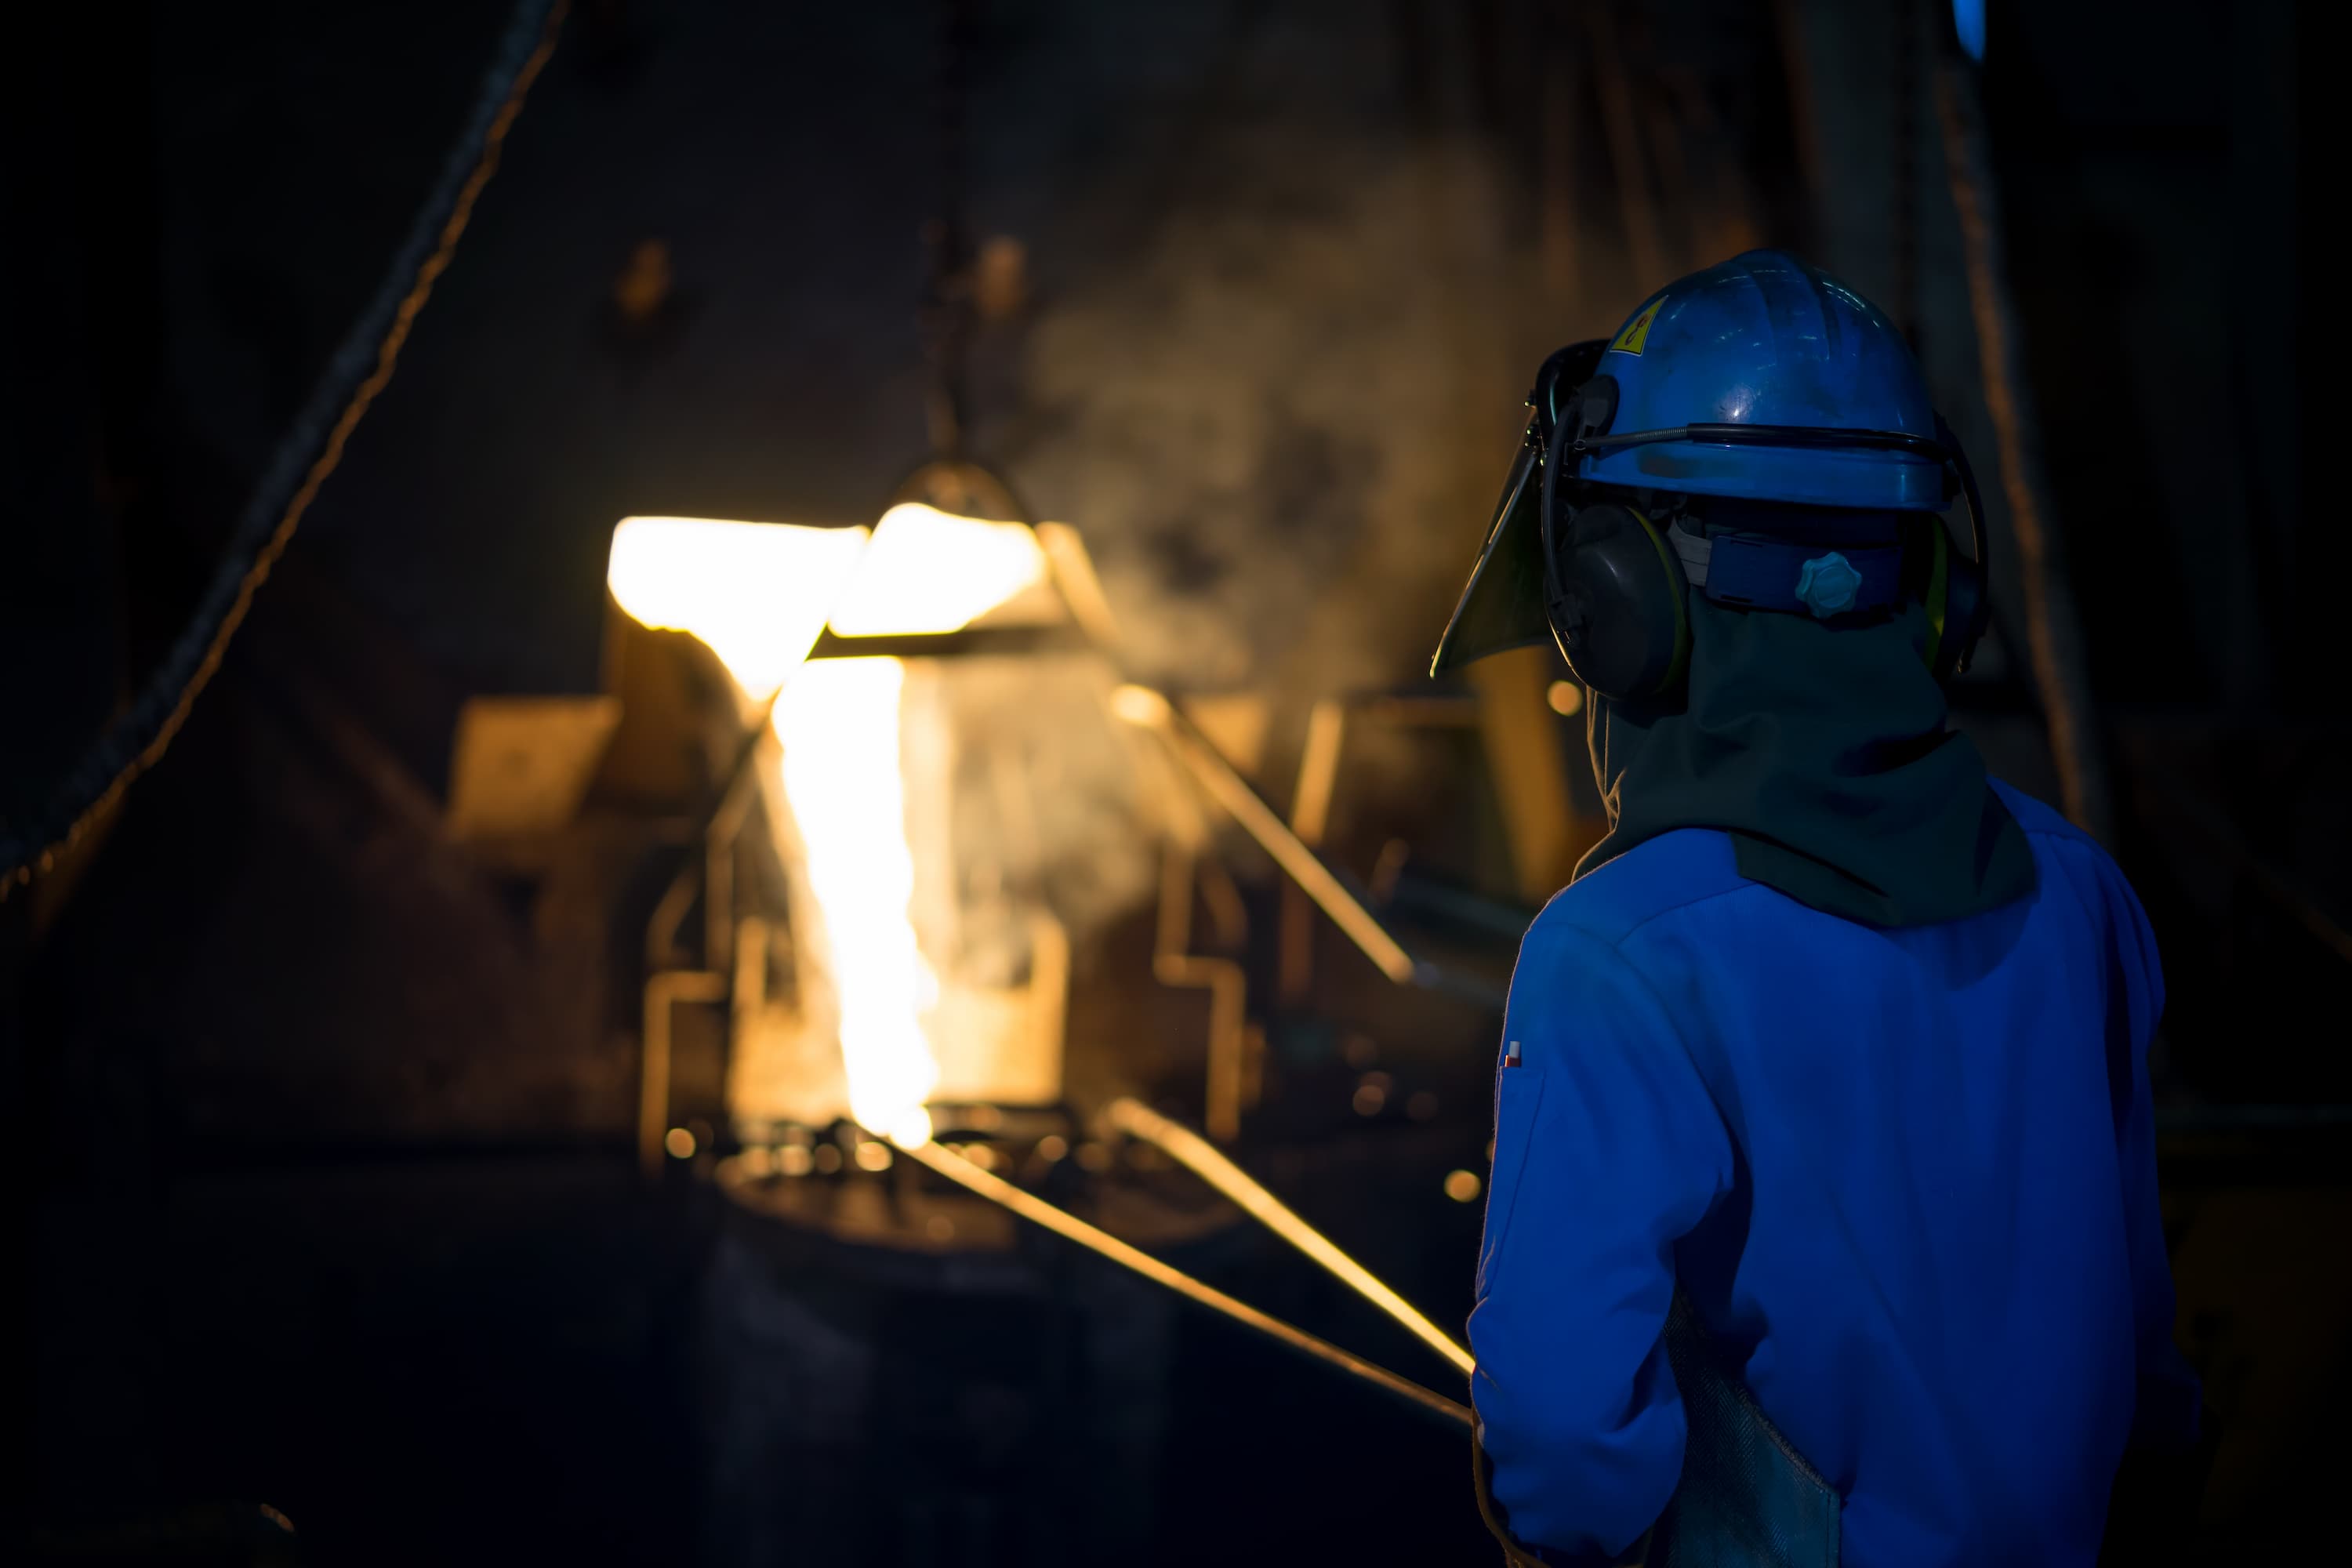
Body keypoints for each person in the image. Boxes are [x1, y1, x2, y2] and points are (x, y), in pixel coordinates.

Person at [1429, 250, 2205, 1566]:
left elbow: (1564, 1457)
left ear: (1610, 604)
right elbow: (2149, 1385)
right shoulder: (2077, 891)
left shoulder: (1622, 954)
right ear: (1931, 585)